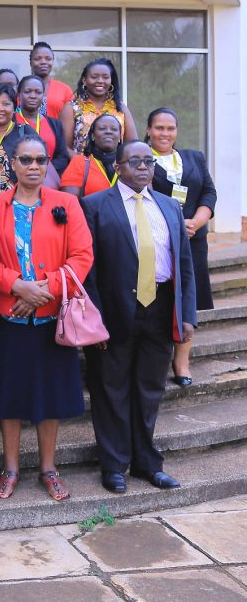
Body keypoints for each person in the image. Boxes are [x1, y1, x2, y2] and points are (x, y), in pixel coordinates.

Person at [0, 135, 93, 501]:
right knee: (10, 395)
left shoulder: (67, 203)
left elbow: (82, 256)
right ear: (11, 164)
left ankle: (48, 467)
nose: (33, 166)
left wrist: (41, 290)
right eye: (25, 160)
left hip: (52, 316)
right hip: (8, 315)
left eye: (40, 160)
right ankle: (10, 467)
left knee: (51, 397)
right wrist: (17, 286)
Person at [81, 140, 196, 494]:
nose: (144, 167)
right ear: (118, 167)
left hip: (160, 309)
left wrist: (186, 314)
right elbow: (88, 271)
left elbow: (186, 266)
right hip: (114, 311)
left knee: (149, 389)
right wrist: (95, 320)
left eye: (148, 161)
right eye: (135, 161)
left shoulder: (169, 207)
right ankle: (114, 465)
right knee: (111, 389)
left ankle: (147, 463)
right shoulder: (96, 206)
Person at [146, 107, 217, 386]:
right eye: (159, 128)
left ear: (177, 131)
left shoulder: (193, 157)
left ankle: (182, 362)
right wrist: (174, 226)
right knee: (163, 298)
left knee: (188, 297)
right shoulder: (140, 158)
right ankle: (159, 358)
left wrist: (196, 223)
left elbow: (209, 192)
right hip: (158, 241)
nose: (165, 133)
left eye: (170, 128)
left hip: (193, 241)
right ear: (149, 130)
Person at [61, 58, 136, 157]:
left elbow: (133, 145)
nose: (100, 81)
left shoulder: (121, 108)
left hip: (116, 169)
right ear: (84, 80)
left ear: (111, 80)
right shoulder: (72, 108)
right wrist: (83, 164)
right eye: (94, 77)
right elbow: (63, 146)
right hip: (82, 169)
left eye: (105, 77)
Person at [15, 75, 70, 178]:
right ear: (19, 95)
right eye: (27, 91)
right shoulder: (11, 122)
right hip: (18, 181)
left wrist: (42, 171)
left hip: (49, 180)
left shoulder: (55, 124)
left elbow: (62, 157)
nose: (33, 96)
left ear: (43, 95)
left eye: (38, 92)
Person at [60, 114, 123, 197]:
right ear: (93, 136)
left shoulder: (127, 164)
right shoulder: (80, 162)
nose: (108, 131)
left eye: (114, 129)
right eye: (102, 128)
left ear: (119, 137)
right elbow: (69, 201)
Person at [30, 42, 74, 119]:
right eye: (38, 58)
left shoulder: (65, 90)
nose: (43, 62)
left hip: (56, 131)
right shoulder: (21, 90)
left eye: (48, 59)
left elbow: (72, 120)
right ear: (30, 62)